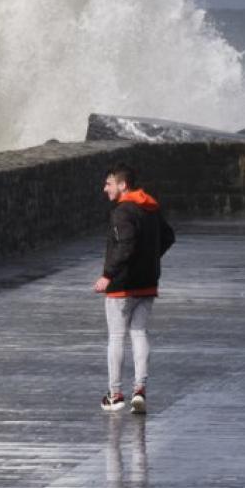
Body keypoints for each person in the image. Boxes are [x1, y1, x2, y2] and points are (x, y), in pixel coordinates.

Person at [94, 163, 176, 414]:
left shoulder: (122, 212)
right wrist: (150, 259)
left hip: (123, 285)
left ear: (122, 185)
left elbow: (125, 246)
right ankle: (139, 389)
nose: (104, 188)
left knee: (117, 337)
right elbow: (168, 236)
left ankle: (115, 394)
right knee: (139, 333)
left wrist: (108, 275)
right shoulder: (150, 208)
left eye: (109, 183)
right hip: (148, 282)